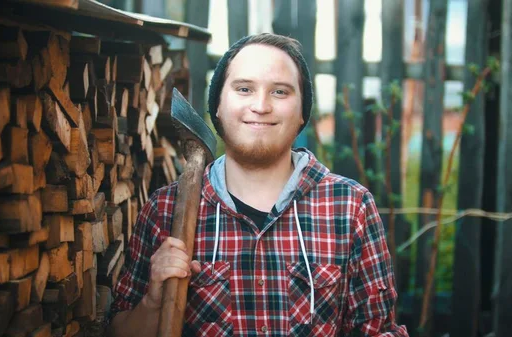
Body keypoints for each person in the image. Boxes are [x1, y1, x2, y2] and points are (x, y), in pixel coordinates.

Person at [107, 33, 408, 337]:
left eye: (279, 91)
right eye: (244, 89)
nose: (261, 106)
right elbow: (119, 332)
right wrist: (153, 302)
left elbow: (379, 330)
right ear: (219, 107)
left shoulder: (350, 207)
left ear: (302, 111)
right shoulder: (166, 210)